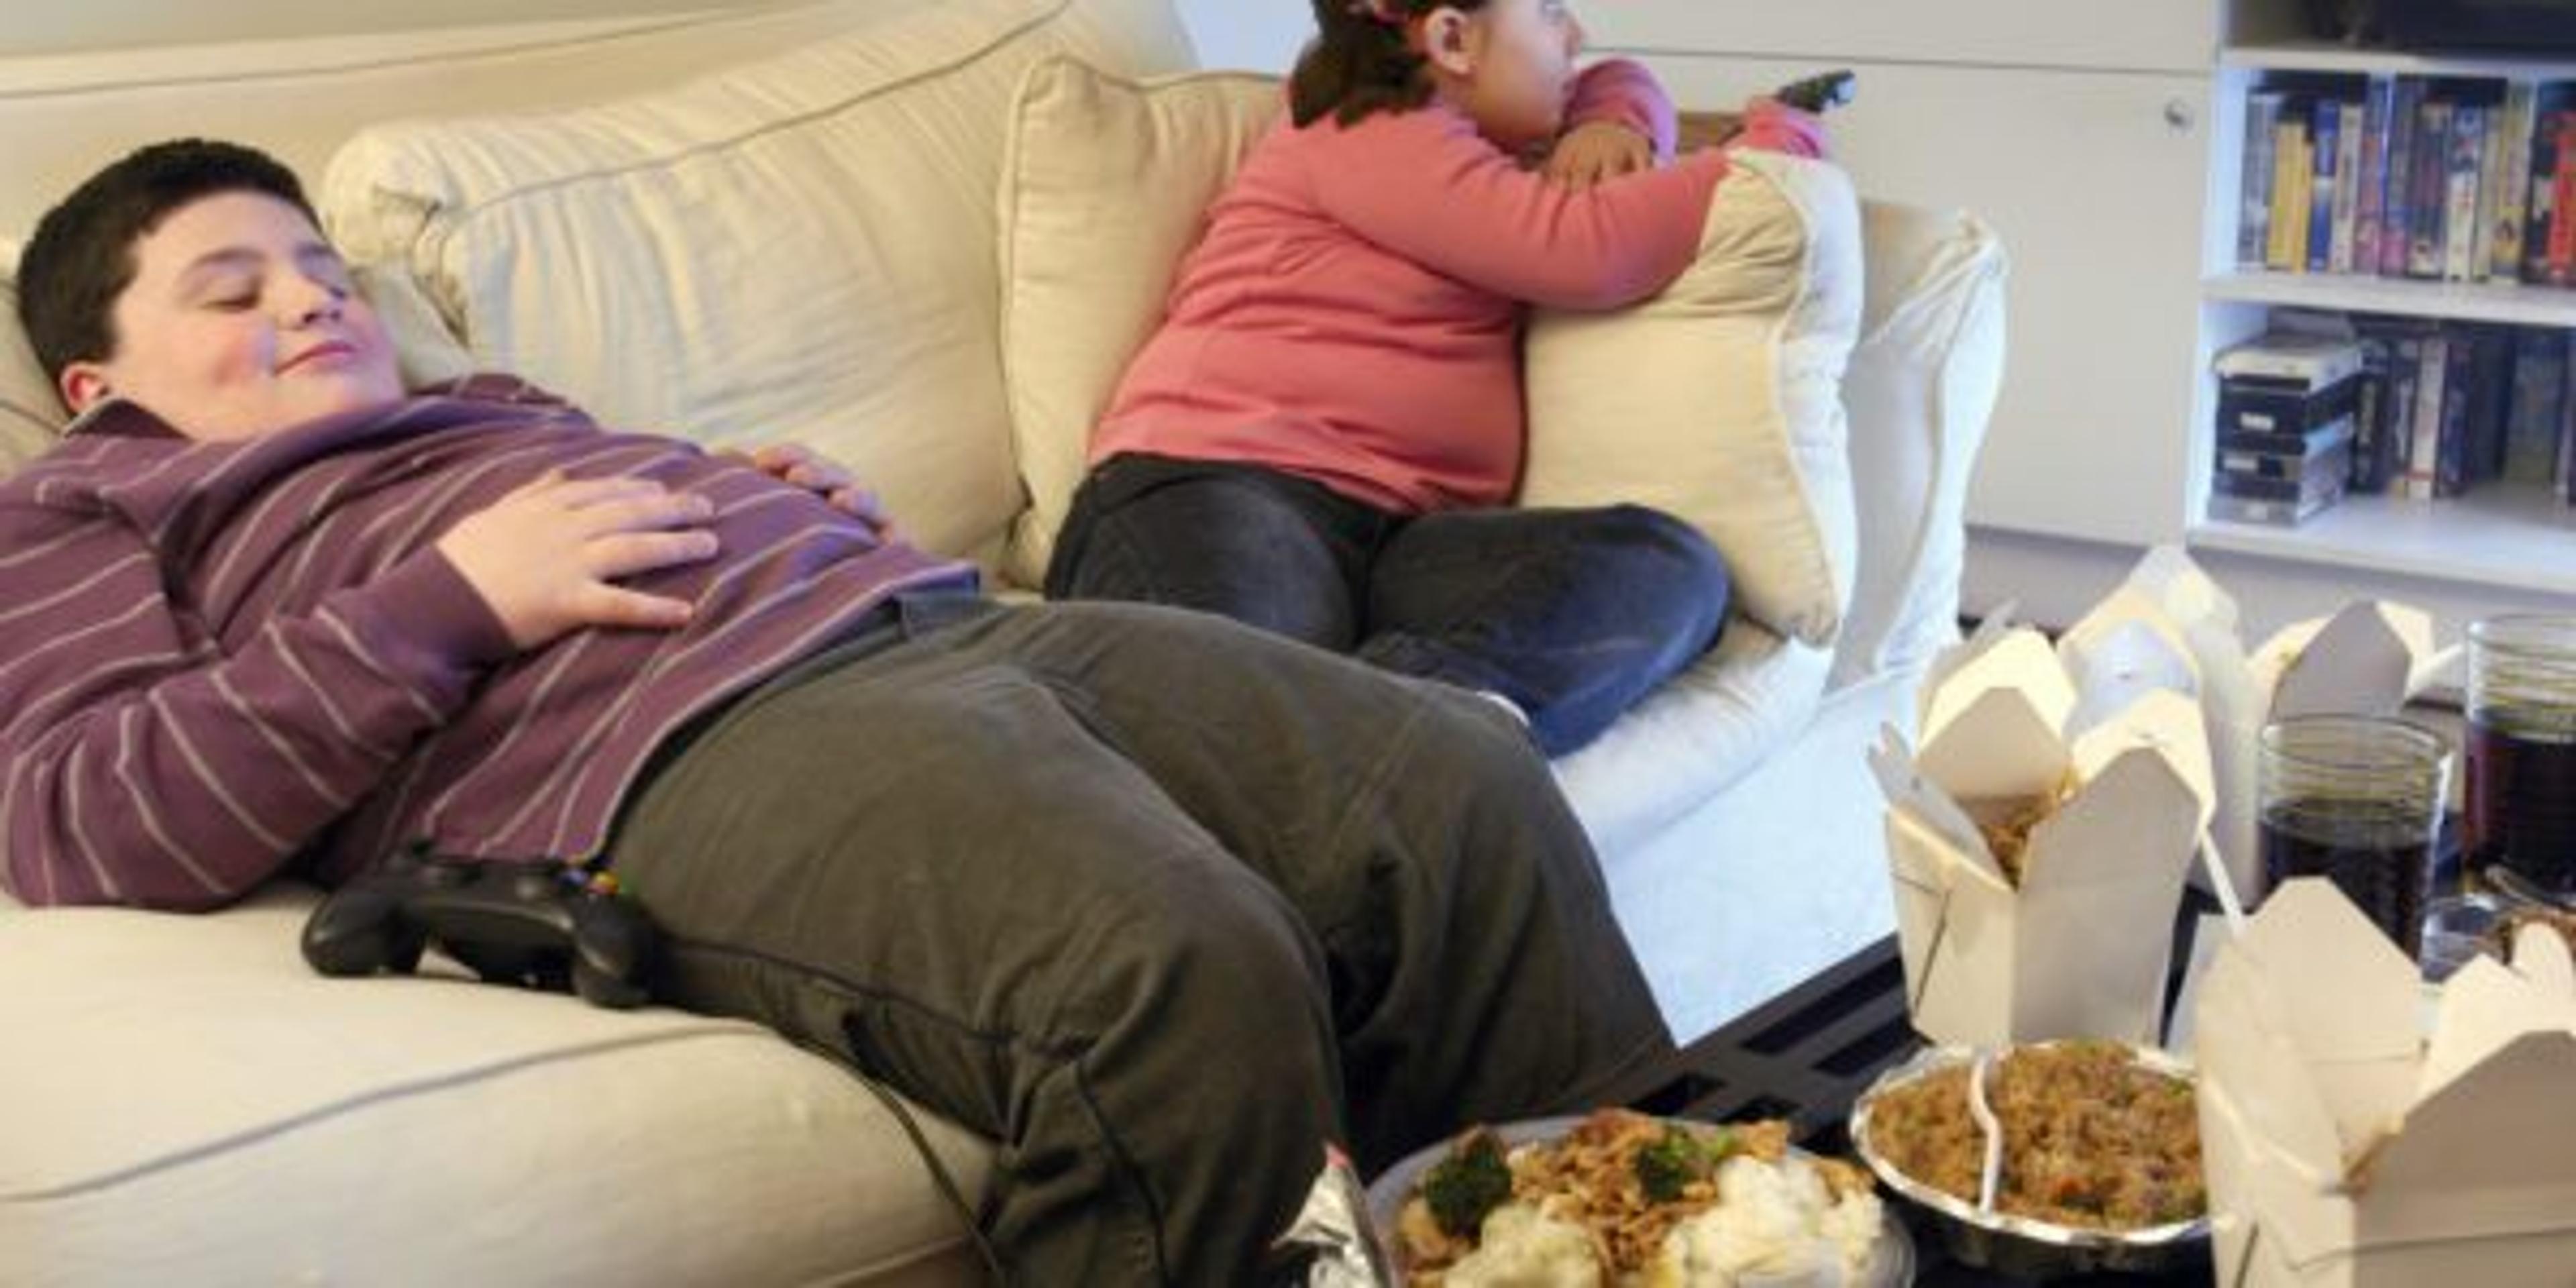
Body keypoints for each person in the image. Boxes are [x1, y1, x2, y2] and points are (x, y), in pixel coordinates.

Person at [0, 140, 1673, 1285]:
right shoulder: (88, 505)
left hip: (941, 624)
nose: (310, 299)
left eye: (317, 266)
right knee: (1173, 960)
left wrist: (765, 506)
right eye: (231, 290)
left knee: (1453, 782)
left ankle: (1627, 1240)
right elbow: (82, 812)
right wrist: (455, 596)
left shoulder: (485, 408)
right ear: (101, 384)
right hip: (681, 748)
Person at [1045, 0, 1827, 757]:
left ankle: (1410, 723)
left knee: (1669, 570)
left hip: (1401, 539)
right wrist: (1761, 166)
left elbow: (1615, 76)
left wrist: (1613, 116)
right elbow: (1581, 250)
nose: (1576, 33)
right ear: (1453, 38)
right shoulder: (1361, 127)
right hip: (1221, 487)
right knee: (1249, 704)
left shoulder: (1471, 138)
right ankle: (1359, 760)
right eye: (1550, 10)